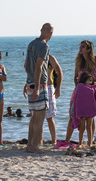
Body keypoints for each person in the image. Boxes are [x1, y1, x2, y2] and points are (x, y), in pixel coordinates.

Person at [63, 40, 96, 143]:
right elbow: (75, 77)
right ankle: (67, 140)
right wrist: (77, 86)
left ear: (89, 49)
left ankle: (90, 142)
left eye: (83, 47)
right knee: (73, 113)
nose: (80, 48)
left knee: (90, 116)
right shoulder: (79, 61)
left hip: (93, 92)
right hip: (79, 92)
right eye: (80, 46)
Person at [24, 23, 53, 153]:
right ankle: (34, 146)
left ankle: (30, 145)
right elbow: (39, 66)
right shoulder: (44, 46)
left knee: (34, 117)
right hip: (39, 83)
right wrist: (36, 87)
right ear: (50, 33)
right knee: (39, 117)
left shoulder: (31, 44)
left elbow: (26, 65)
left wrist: (28, 83)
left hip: (30, 81)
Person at [71, 72, 96, 146]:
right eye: (89, 80)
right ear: (84, 79)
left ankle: (90, 143)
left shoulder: (92, 87)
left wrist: (94, 87)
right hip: (82, 110)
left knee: (89, 127)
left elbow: (95, 97)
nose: (91, 82)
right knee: (82, 128)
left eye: (91, 81)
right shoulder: (80, 86)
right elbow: (76, 99)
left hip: (90, 109)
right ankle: (80, 143)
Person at [45, 54, 63, 145]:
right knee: (37, 117)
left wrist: (58, 88)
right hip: (37, 87)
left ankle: (54, 140)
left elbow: (59, 72)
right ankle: (39, 140)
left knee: (49, 116)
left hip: (48, 87)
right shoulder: (35, 57)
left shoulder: (50, 58)